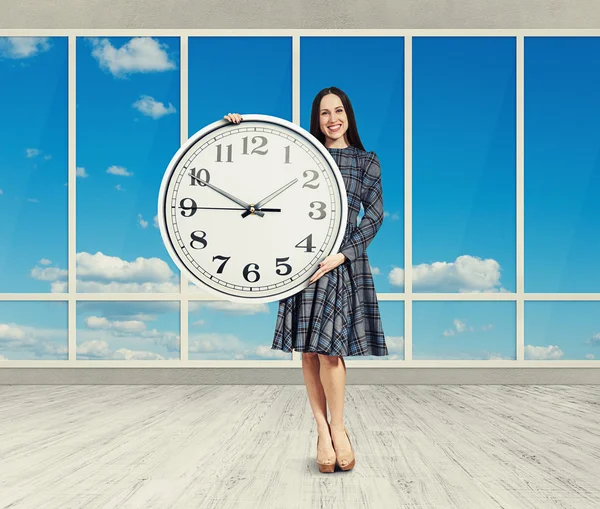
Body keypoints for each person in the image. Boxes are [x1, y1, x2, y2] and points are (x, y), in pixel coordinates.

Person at [223, 86, 387, 473]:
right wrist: (237, 129)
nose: (332, 119)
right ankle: (321, 431)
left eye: (338, 111)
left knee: (331, 350)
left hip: (341, 262)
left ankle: (340, 428)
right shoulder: (302, 156)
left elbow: (375, 216)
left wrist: (343, 254)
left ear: (348, 115)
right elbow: (258, 181)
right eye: (324, 113)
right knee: (309, 350)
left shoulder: (366, 161)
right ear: (316, 120)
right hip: (299, 260)